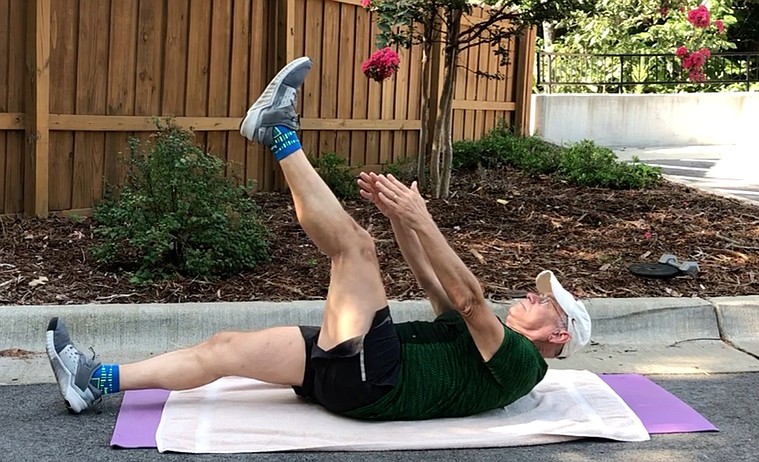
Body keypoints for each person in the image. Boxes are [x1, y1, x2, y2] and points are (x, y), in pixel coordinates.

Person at [46, 56, 591, 420]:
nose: (532, 295)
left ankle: (278, 131)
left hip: (375, 378)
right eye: (539, 290)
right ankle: (94, 380)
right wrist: (401, 216)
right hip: (354, 370)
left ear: (559, 336)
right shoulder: (493, 340)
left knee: (354, 245)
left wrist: (424, 219)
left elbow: (471, 300)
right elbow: (433, 282)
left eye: (546, 301)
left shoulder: (522, 362)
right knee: (225, 347)